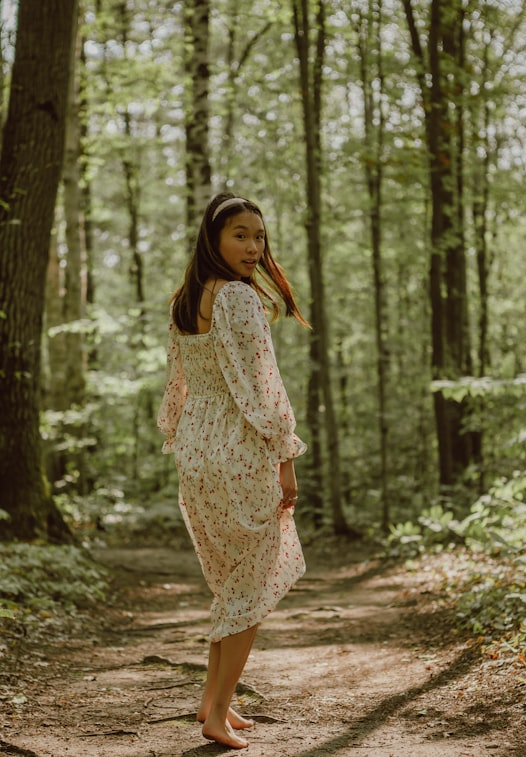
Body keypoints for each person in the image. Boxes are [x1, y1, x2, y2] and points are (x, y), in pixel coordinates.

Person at [157, 193, 309, 749]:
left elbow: (178, 385)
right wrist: (285, 457)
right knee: (248, 588)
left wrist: (176, 432)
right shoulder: (239, 300)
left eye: (259, 237)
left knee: (230, 586)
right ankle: (218, 714)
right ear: (214, 238)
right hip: (239, 453)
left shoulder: (186, 298)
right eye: (240, 235)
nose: (253, 247)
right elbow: (263, 388)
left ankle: (213, 700)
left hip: (196, 452)